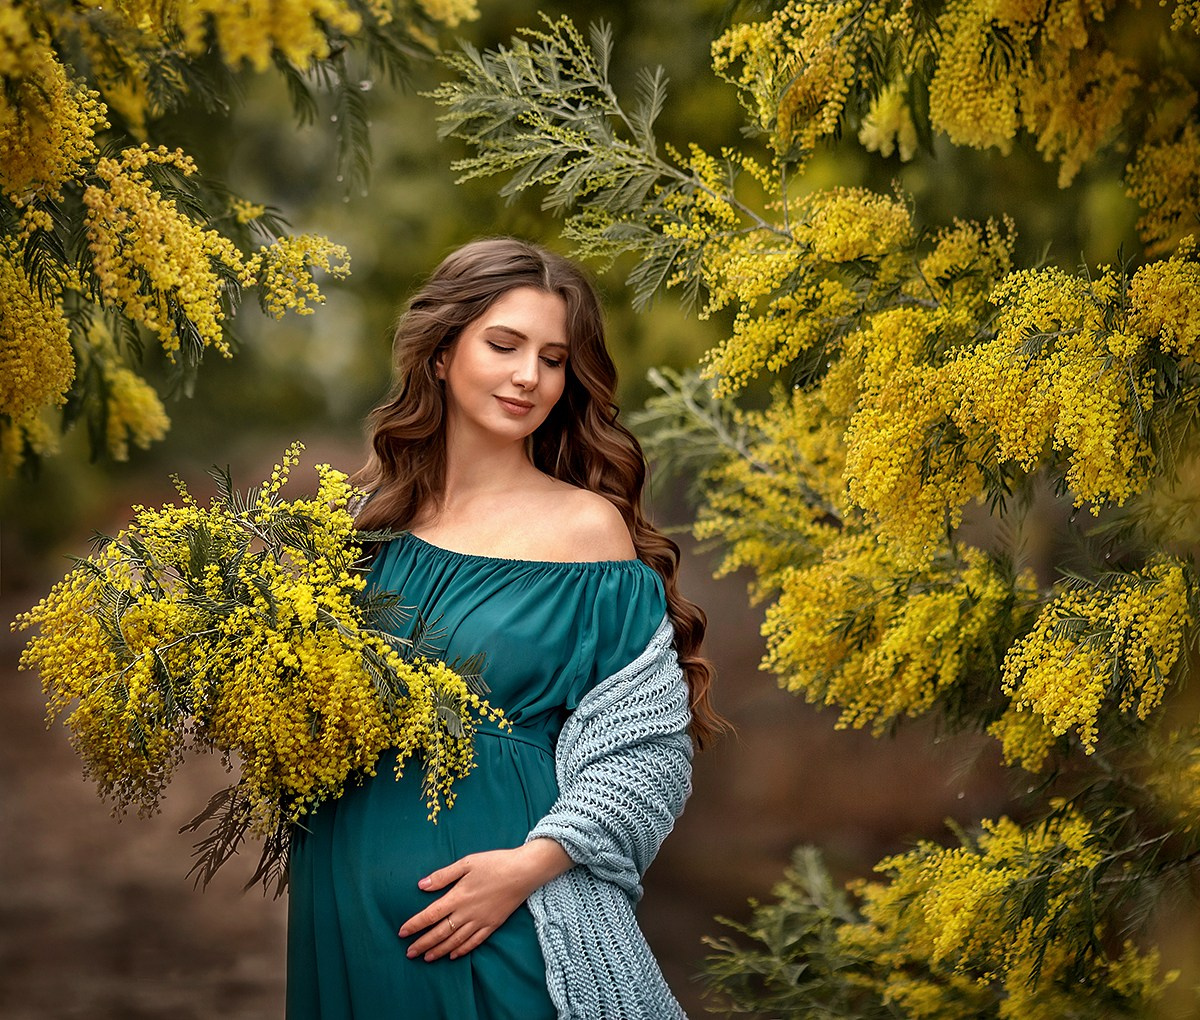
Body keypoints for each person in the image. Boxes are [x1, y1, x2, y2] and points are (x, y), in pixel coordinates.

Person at [286, 238, 724, 1019]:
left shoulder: (587, 532)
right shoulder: (366, 528)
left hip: (504, 907)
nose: (530, 376)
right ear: (443, 353)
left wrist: (527, 870)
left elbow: (651, 752)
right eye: (504, 345)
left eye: (553, 358)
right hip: (342, 892)